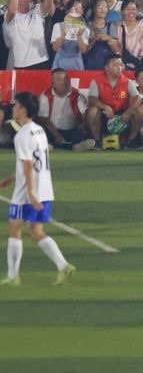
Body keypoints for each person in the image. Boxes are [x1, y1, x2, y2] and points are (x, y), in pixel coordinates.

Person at [0, 91, 75, 287]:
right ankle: (63, 266)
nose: (13, 108)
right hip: (45, 188)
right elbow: (34, 162)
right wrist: (11, 178)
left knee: (14, 229)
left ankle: (13, 276)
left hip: (27, 192)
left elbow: (28, 165)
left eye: (16, 105)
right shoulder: (39, 130)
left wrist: (31, 193)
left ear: (23, 110)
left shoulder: (22, 135)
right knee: (35, 231)